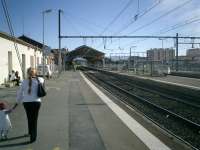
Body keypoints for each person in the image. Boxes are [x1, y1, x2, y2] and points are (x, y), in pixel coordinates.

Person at [12, 67, 45, 143]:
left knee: (29, 118)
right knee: (34, 119)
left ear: (27, 73)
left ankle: (30, 133)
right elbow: (43, 81)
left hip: (27, 103)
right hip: (36, 102)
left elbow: (19, 94)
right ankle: (33, 137)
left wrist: (16, 103)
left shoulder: (23, 82)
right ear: (35, 73)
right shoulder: (40, 80)